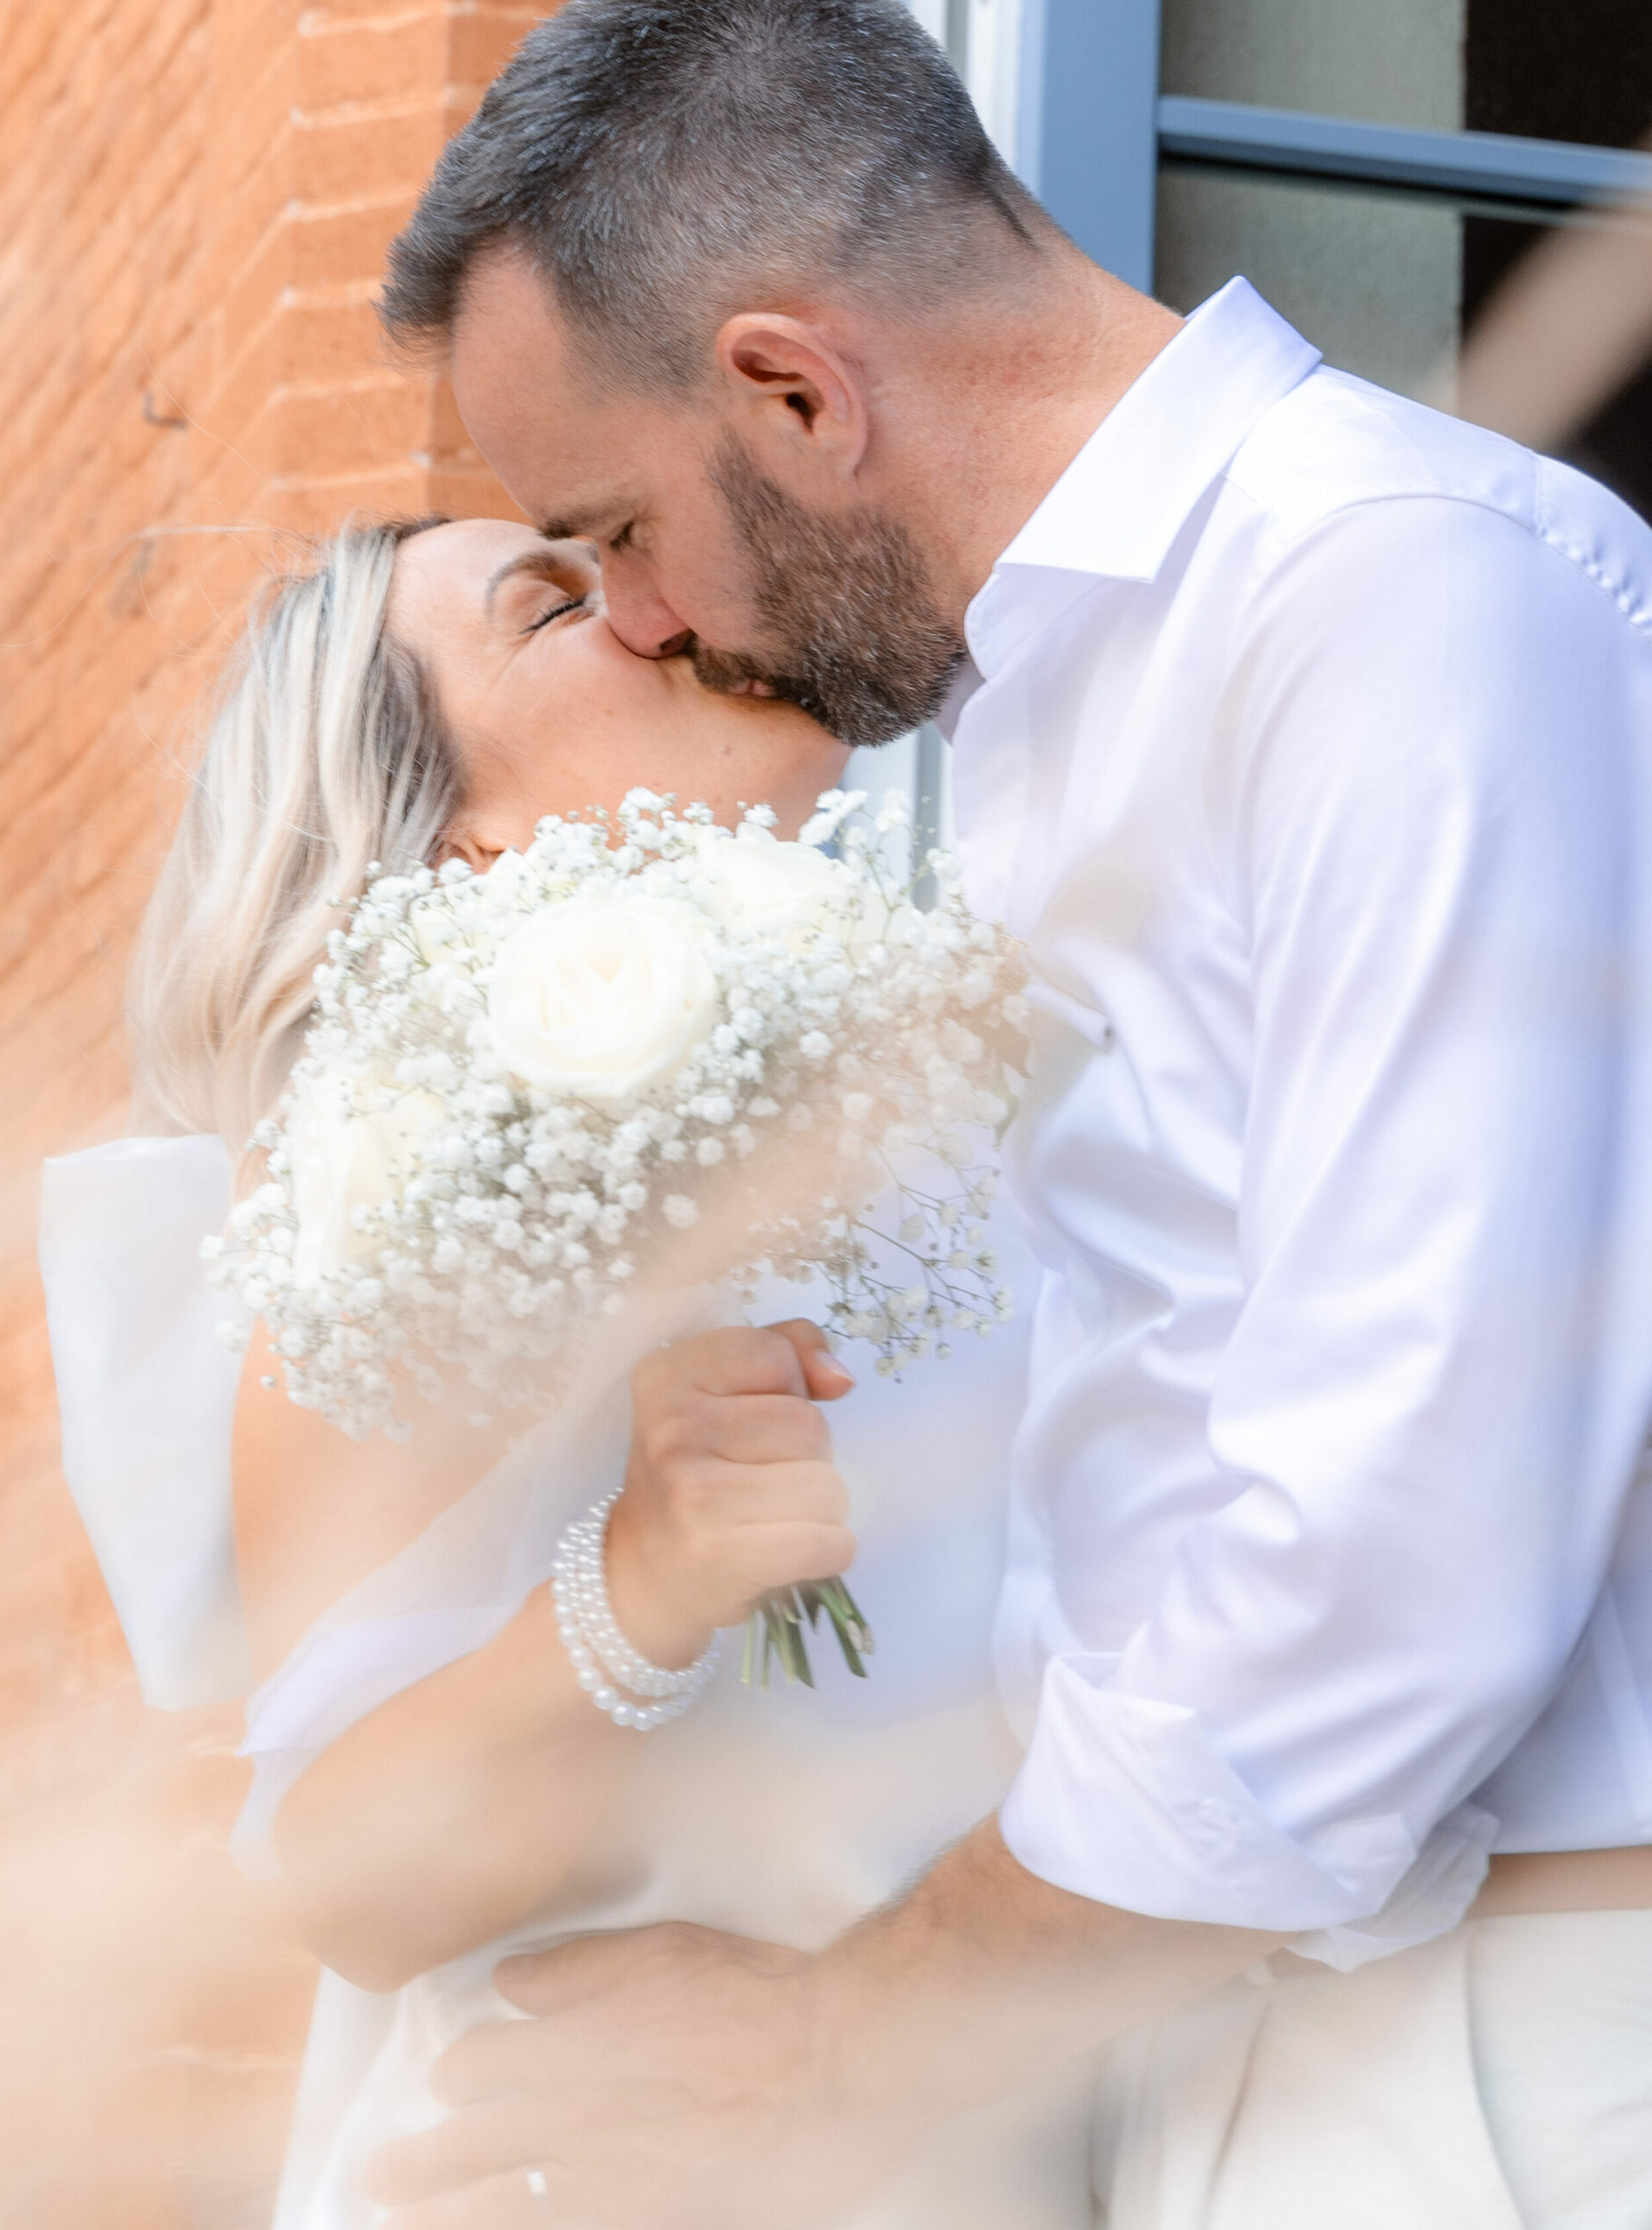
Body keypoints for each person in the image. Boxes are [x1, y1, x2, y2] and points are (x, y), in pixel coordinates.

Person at [359, 3, 1652, 2226]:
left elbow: (1393, 1558)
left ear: (791, 386)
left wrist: (847, 2032)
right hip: (1207, 2011)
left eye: (620, 528)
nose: (650, 618)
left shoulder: (1391, 600)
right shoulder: (1062, 691)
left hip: (1484, 2047)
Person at [41, 514, 1099, 2228]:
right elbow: (351, 1873)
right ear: (456, 832)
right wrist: (649, 1571)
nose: (657, 601)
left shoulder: (964, 1074)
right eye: (550, 605)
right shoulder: (410, 1160)